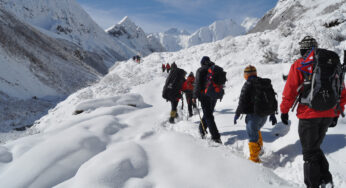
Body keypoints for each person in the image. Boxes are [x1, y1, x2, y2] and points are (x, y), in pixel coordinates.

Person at [280, 36, 346, 188]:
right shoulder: (331, 63)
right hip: (328, 114)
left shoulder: (300, 64)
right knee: (314, 148)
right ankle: (326, 180)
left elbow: (289, 91)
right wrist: (336, 112)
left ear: (302, 49)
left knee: (309, 153)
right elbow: (342, 91)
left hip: (308, 115)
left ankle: (313, 185)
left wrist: (284, 111)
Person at [234, 65, 277, 163]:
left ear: (246, 75)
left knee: (252, 136)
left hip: (253, 116)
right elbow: (272, 99)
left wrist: (237, 114)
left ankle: (254, 159)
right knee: (257, 131)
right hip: (264, 115)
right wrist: (272, 114)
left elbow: (242, 101)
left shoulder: (248, 84)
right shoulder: (264, 82)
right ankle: (259, 150)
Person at [193, 56, 222, 143]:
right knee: (208, 113)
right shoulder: (215, 69)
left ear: (202, 63)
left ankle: (215, 137)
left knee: (208, 115)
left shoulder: (200, 70)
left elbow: (197, 84)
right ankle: (201, 129)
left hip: (204, 96)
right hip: (214, 95)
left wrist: (194, 96)